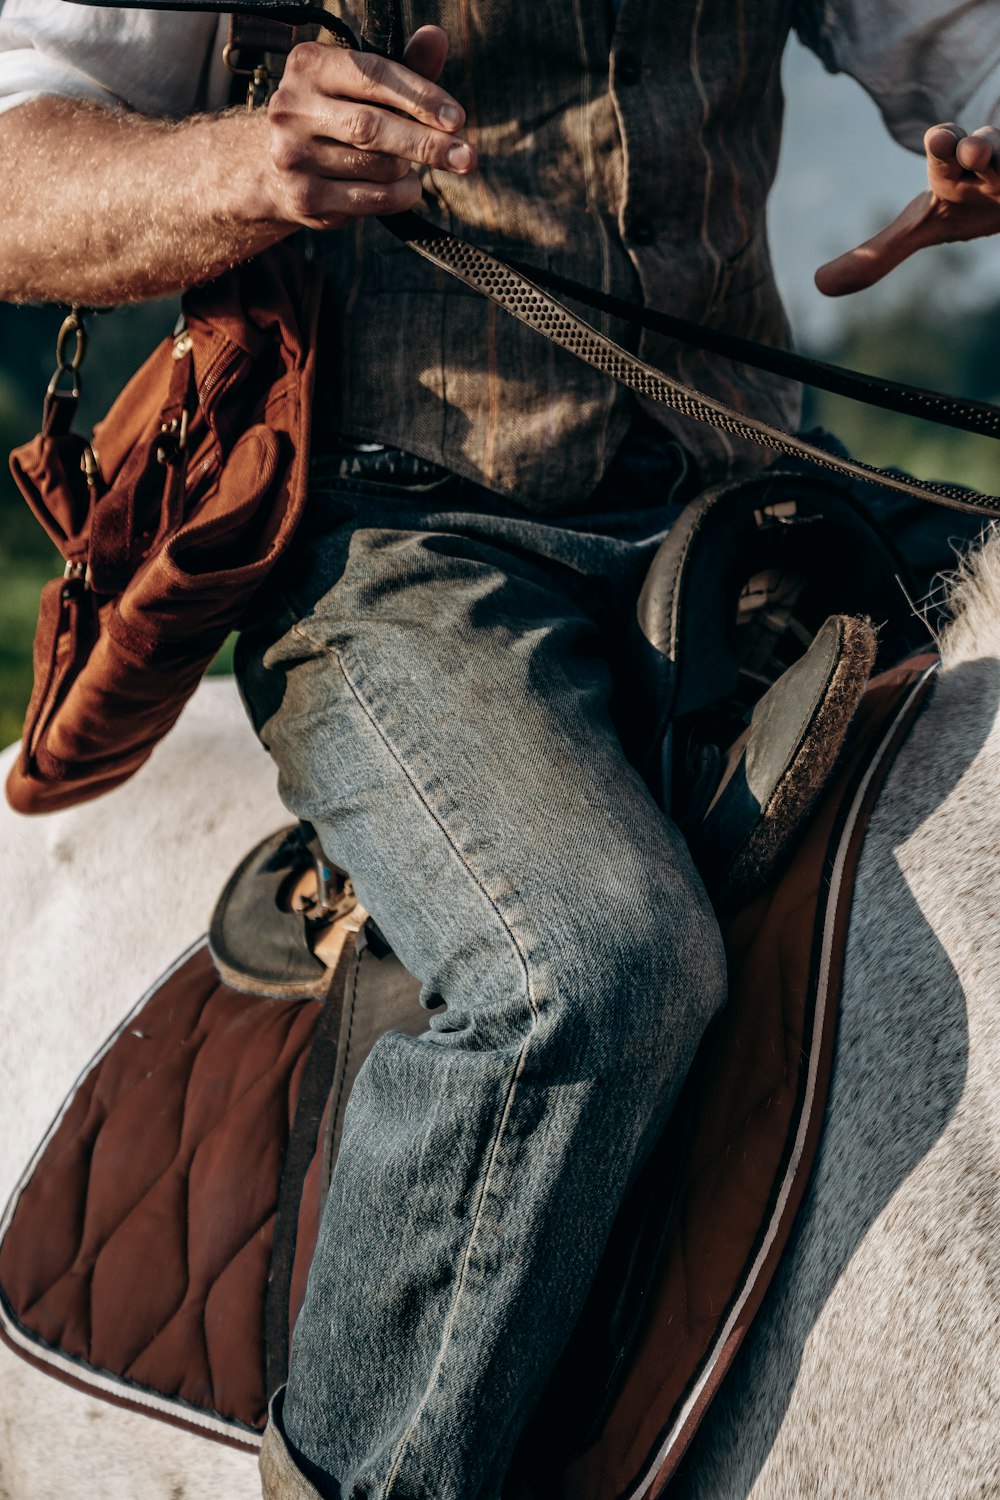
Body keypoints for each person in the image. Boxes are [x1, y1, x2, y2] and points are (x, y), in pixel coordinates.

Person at [0, 3, 998, 1496]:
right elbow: (19, 166)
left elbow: (961, 38)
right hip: (401, 542)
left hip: (749, 506)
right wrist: (242, 160)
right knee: (591, 967)